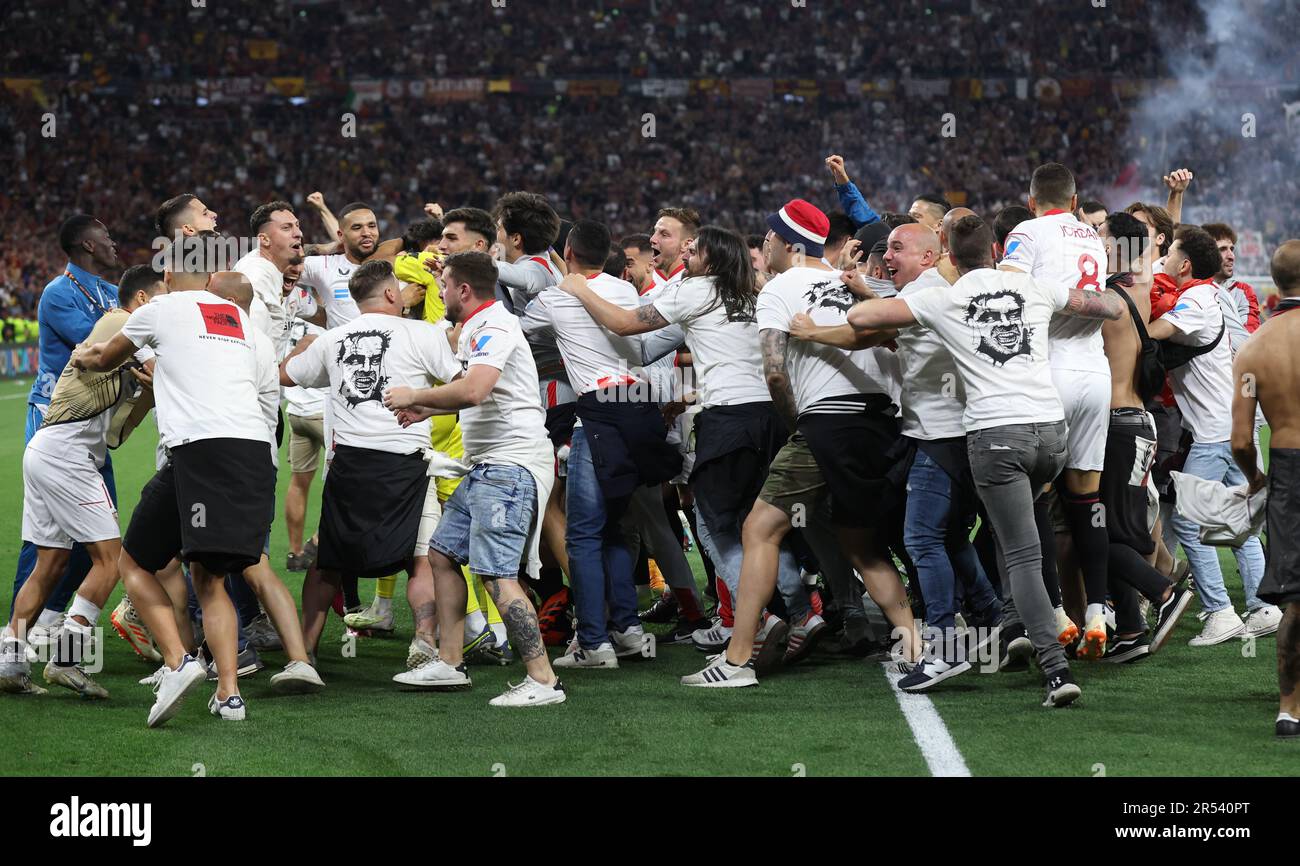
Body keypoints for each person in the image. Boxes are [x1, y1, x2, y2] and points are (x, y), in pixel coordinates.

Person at [844, 214, 1127, 707]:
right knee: (1013, 537)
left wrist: (880, 299)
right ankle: (1014, 622)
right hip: (1051, 433)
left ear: (950, 257)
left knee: (1018, 553)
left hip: (998, 437)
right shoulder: (1035, 287)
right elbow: (1107, 307)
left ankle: (1055, 669)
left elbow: (861, 321)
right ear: (996, 249)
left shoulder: (943, 298)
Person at [682, 199, 920, 688]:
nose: (761, 248)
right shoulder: (849, 280)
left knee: (758, 530)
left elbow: (774, 372)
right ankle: (913, 644)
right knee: (861, 542)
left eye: (768, 238)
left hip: (827, 423)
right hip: (881, 423)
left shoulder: (779, 288)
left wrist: (795, 424)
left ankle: (738, 658)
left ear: (787, 244)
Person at [70, 267, 321, 726]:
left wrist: (84, 358)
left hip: (199, 451)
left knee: (134, 562)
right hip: (254, 457)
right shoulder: (254, 334)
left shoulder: (165, 308)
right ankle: (229, 695)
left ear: (172, 275)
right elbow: (265, 400)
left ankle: (178, 661)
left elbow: (108, 356)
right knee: (212, 578)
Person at [382, 251, 565, 707]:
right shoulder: (479, 328)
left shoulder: (494, 326)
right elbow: (475, 394)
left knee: (497, 574)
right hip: (486, 465)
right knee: (443, 555)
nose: (439, 292)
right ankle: (449, 662)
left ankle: (543, 681)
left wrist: (414, 393)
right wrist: (428, 407)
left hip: (509, 465)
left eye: (443, 284)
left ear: (464, 289)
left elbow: (475, 389)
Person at [518, 219, 683, 667]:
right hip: (640, 407)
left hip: (599, 414)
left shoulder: (554, 299)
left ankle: (594, 642)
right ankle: (627, 629)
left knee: (583, 533)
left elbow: (520, 334)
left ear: (568, 251)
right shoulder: (626, 290)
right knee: (613, 526)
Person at [280, 260, 461, 665]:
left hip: (350, 467)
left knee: (328, 561)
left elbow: (288, 376)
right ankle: (424, 641)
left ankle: (303, 653)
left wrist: (300, 347)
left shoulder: (332, 339)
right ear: (393, 294)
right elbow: (460, 383)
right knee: (421, 559)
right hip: (408, 465)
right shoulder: (422, 334)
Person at [0, 265, 164, 698]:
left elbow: (115, 435)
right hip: (67, 454)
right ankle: (67, 659)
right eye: (165, 295)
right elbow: (164, 367)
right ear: (145, 299)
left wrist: (147, 391)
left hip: (50, 450)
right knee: (111, 560)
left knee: (50, 562)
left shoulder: (127, 347)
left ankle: (10, 661)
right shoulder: (121, 321)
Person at [1000, 163, 1114, 658]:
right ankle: (1099, 609)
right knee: (1087, 499)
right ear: (1072, 200)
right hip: (1096, 376)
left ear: (1032, 201)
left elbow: (1007, 291)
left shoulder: (1026, 231)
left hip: (1049, 373)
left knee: (1039, 497)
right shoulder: (1093, 236)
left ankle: (1056, 612)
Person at [1145, 226, 1278, 643]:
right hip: (1236, 425)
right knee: (1239, 519)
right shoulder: (1208, 294)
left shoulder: (1197, 301)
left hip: (1214, 433)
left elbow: (1151, 334)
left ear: (1184, 265)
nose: (1163, 261)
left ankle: (1221, 612)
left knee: (1186, 521)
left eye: (1170, 256)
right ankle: (1263, 607)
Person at [11, 215, 120, 654]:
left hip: (91, 426)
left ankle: (43, 626)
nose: (113, 242)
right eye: (106, 236)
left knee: (80, 539)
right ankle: (25, 633)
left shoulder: (109, 292)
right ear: (86, 246)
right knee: (46, 542)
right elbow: (96, 345)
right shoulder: (58, 293)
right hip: (56, 420)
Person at [1095, 212, 1194, 662]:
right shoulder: (1140, 285)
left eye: (1099, 237)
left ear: (1117, 246)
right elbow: (1155, 242)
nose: (1092, 243)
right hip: (1139, 424)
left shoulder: (1104, 297)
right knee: (1119, 529)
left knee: (1094, 532)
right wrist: (1174, 201)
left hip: (1115, 425)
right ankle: (1131, 630)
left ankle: (1163, 591)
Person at [1230, 239, 1300, 738]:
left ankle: (1289, 708)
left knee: (1295, 596)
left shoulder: (1253, 348)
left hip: (1288, 470)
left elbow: (1239, 441)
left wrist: (1255, 477)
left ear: (1273, 282)